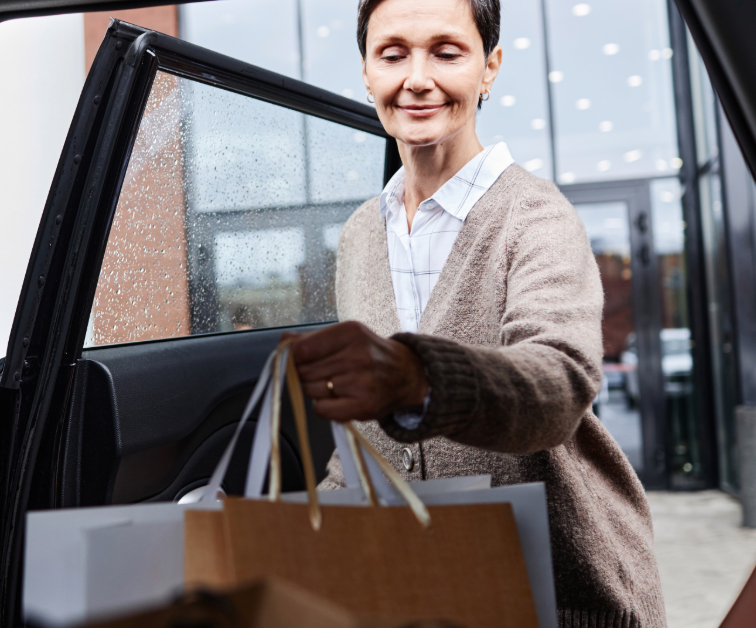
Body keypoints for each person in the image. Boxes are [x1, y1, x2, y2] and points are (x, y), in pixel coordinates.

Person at [283, 0, 667, 625]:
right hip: (431, 585)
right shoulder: (358, 234)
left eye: (446, 51)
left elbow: (559, 383)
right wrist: (298, 524)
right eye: (392, 54)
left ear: (489, 69)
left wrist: (418, 376)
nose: (416, 78)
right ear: (366, 72)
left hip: (559, 588)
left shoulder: (535, 218)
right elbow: (369, 443)